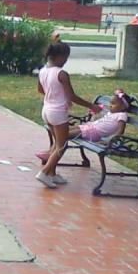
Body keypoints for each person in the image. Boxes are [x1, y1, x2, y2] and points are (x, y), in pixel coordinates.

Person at [36, 40, 100, 188]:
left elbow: (41, 90)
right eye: (66, 58)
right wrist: (91, 106)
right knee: (62, 145)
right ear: (60, 57)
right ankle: (44, 173)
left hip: (46, 110)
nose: (66, 61)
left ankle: (52, 174)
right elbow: (72, 96)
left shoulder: (43, 71)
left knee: (56, 143)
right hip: (58, 113)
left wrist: (55, 95)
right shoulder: (61, 73)